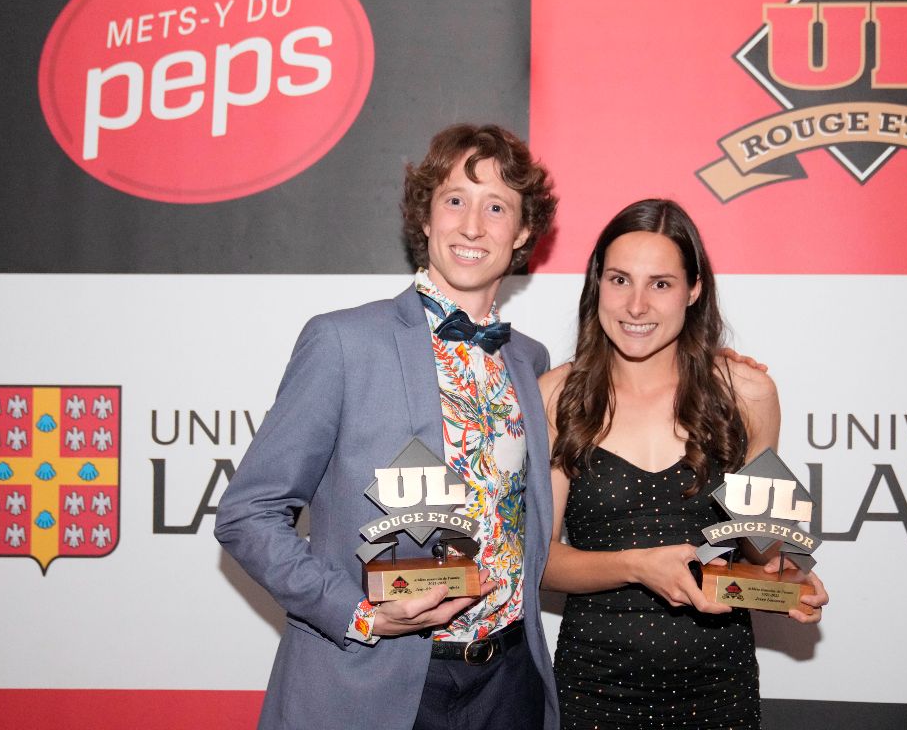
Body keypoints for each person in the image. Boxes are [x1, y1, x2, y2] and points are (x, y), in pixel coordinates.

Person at [215, 124, 560, 730]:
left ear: (524, 231)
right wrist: (361, 615)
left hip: (507, 683)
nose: (472, 226)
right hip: (378, 679)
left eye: (496, 207)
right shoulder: (344, 342)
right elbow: (248, 513)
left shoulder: (529, 361)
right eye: (455, 200)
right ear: (425, 217)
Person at [538, 199, 828, 729]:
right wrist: (636, 565)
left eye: (661, 283)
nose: (636, 305)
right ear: (597, 284)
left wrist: (785, 575)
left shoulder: (747, 393)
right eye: (620, 280)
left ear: (694, 290)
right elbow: (541, 562)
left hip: (718, 690)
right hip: (594, 688)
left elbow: (761, 542)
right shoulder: (557, 397)